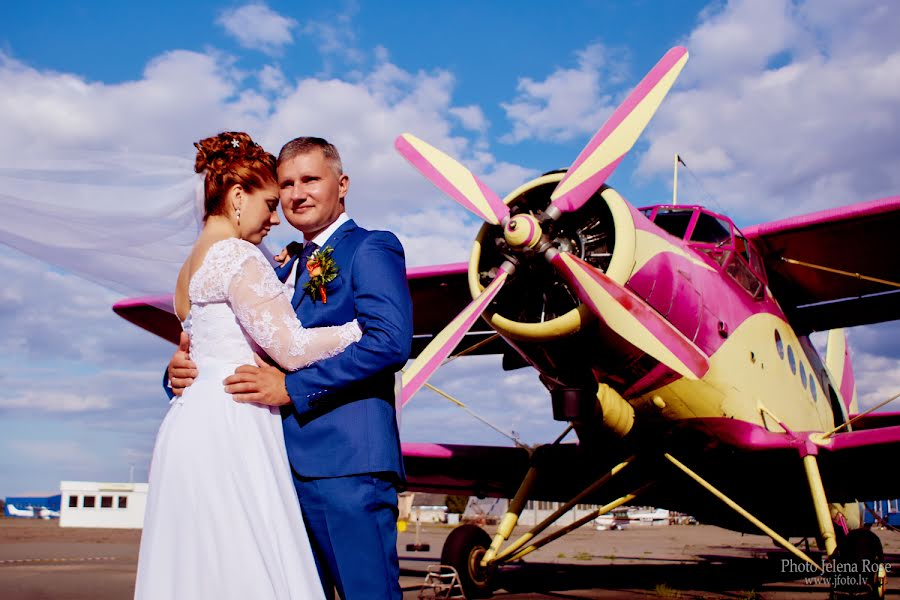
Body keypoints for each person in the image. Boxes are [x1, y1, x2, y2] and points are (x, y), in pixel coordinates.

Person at [167, 136, 413, 599]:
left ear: (341, 185)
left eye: (310, 180)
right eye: (286, 184)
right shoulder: (274, 265)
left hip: (345, 465)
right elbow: (234, 340)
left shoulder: (372, 248)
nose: (296, 193)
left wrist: (293, 389)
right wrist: (179, 370)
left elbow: (389, 342)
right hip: (272, 466)